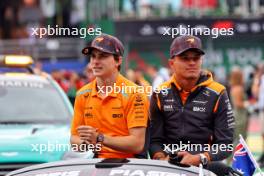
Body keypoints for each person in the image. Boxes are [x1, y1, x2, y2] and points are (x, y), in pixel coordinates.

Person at [149, 35, 234, 170]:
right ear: (171, 63)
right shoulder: (160, 93)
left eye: (196, 58)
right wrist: (161, 159)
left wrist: (199, 158)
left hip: (205, 165)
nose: (192, 62)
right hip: (169, 167)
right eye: (185, 58)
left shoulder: (218, 92)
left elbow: (226, 144)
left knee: (224, 170)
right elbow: (155, 140)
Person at [70, 34, 149, 158]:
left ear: (118, 61)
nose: (95, 62)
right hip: (96, 163)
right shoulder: (82, 94)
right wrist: (85, 143)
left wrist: (99, 138)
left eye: (103, 56)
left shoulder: (135, 93)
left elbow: (137, 144)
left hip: (131, 165)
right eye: (93, 56)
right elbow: (74, 139)